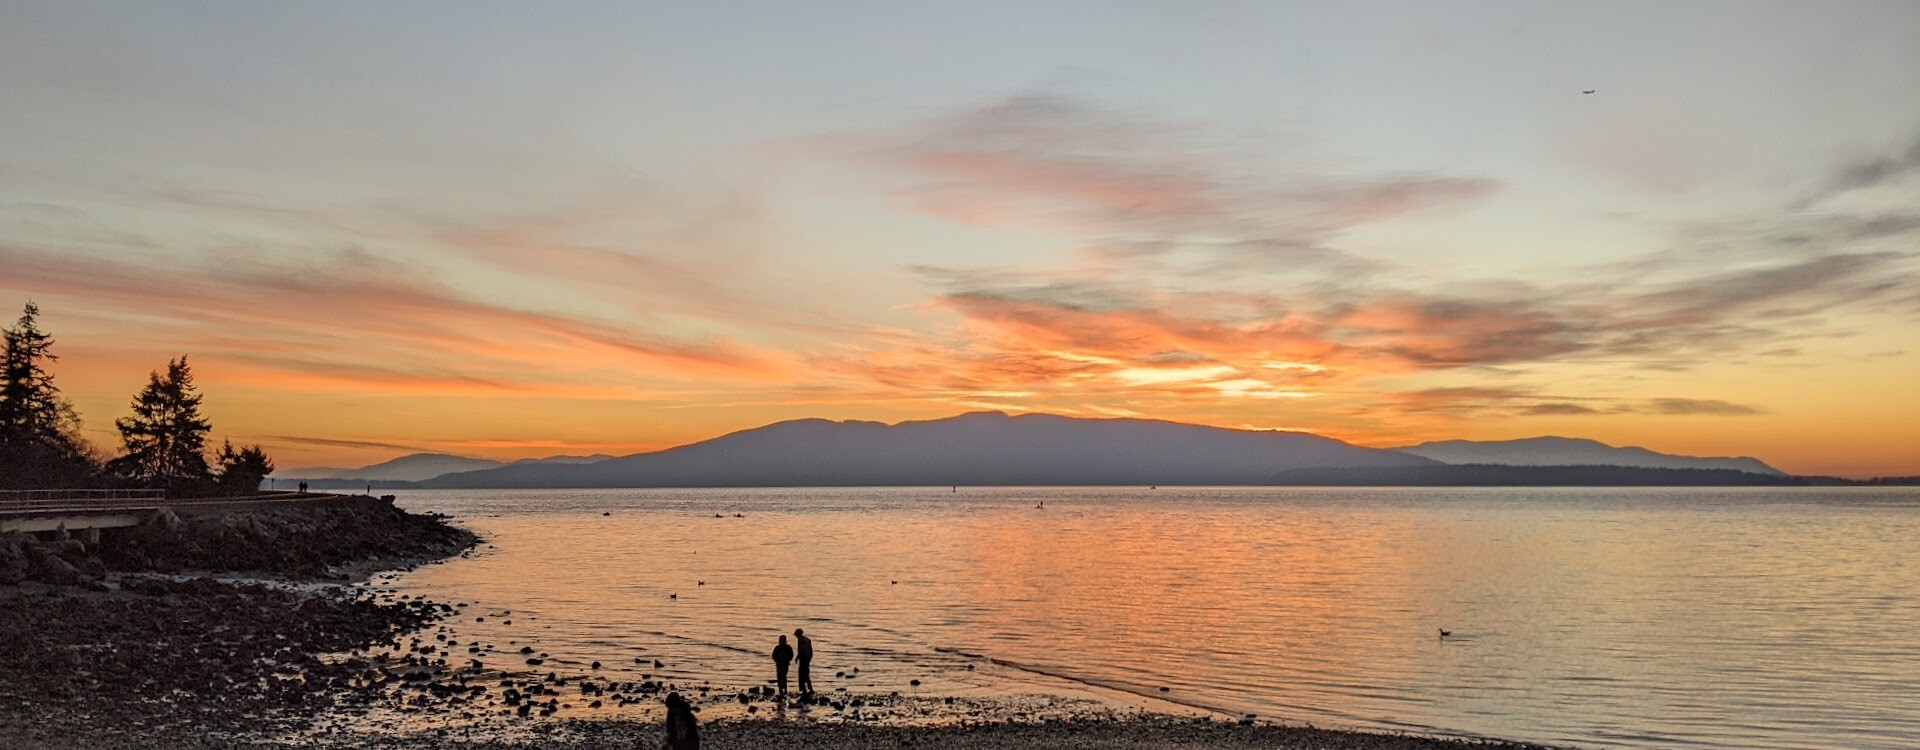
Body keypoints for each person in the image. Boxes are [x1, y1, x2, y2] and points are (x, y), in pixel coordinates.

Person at [793, 628, 814, 696]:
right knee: (806, 674)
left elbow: (802, 650)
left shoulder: (801, 640)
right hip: (807, 659)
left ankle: (804, 690)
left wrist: (797, 657)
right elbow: (811, 651)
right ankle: (810, 689)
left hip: (803, 659)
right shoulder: (808, 640)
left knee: (801, 675)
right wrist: (809, 659)